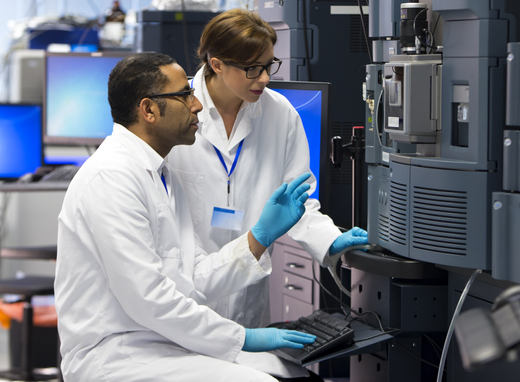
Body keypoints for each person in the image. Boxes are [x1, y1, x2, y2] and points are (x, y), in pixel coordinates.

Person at [54, 52, 323, 382]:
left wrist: (258, 239)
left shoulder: (161, 175)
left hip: (161, 341)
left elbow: (192, 278)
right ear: (149, 109)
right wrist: (242, 337)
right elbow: (149, 299)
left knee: (295, 373)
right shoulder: (111, 178)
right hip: (116, 353)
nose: (196, 105)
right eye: (185, 94)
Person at [167, 9, 368, 330]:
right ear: (216, 64)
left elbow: (296, 202)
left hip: (248, 294)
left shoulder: (280, 114)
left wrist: (330, 239)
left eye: (268, 65)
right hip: (186, 296)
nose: (265, 78)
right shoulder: (176, 114)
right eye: (252, 69)